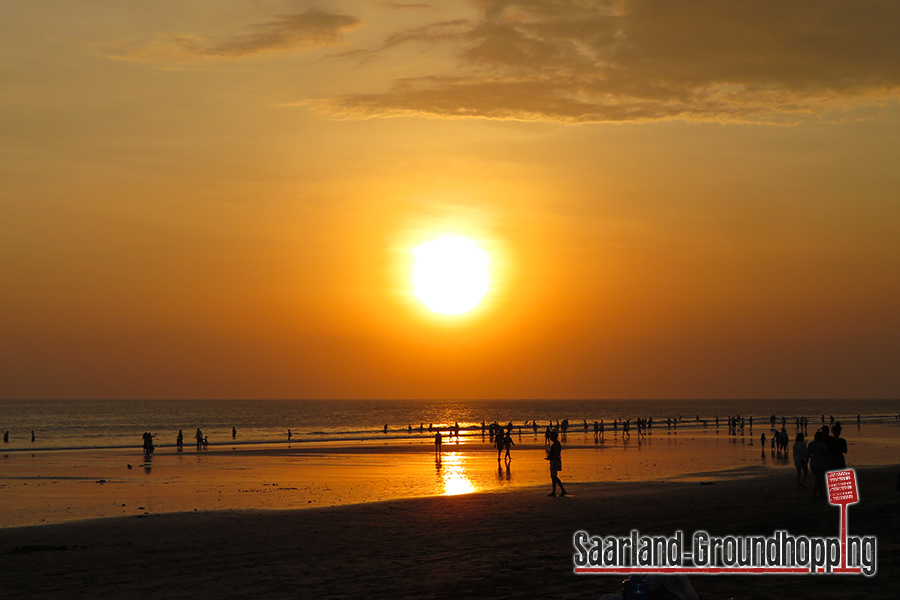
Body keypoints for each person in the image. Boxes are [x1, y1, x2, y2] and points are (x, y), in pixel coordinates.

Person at [546, 430, 567, 497]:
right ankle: (554, 492)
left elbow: (557, 454)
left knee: (554, 476)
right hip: (554, 461)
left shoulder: (557, 444)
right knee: (553, 477)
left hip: (555, 461)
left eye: (551, 436)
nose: (550, 438)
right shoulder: (555, 444)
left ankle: (563, 490)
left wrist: (554, 462)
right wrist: (549, 457)